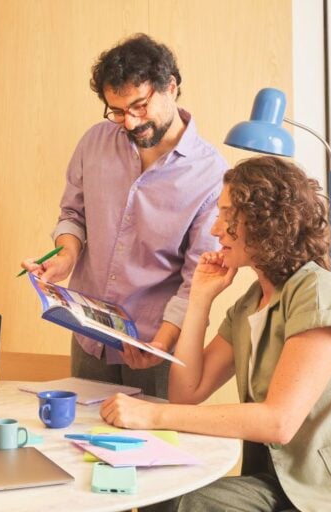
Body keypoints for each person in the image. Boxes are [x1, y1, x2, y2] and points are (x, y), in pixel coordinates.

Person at [100, 156, 331, 511]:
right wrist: (199, 299)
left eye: (228, 215)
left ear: (265, 221)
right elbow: (186, 393)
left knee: (183, 505)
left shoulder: (320, 292)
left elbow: (278, 421)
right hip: (289, 487)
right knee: (172, 498)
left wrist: (152, 415)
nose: (216, 229)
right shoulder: (250, 304)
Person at [21, 34, 226, 398]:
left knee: (154, 436)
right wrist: (66, 255)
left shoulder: (210, 174)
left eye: (139, 106)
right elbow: (73, 214)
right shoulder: (94, 142)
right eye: (116, 111)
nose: (129, 122)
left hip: (155, 343)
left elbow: (198, 277)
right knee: (79, 431)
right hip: (89, 337)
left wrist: (162, 343)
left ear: (171, 88)